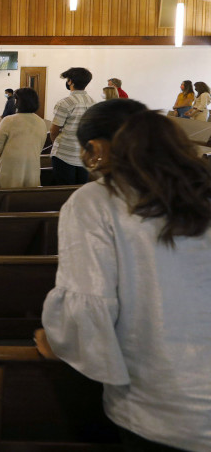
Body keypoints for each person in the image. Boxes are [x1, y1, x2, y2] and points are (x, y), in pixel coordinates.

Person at [36, 99, 211, 451]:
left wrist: (60, 341)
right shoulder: (202, 190)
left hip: (164, 407)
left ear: (95, 149)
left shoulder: (98, 200)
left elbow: (89, 306)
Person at [0, 87, 48, 188]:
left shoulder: (8, 120)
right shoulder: (41, 122)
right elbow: (40, 146)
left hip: (11, 166)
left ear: (17, 102)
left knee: (9, 196)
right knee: (28, 197)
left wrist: (3, 158)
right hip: (32, 165)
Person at [50, 67, 95, 185]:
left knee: (62, 190)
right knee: (79, 188)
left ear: (70, 81)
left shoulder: (65, 102)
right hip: (84, 153)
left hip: (64, 154)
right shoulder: (93, 102)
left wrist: (57, 143)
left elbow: (54, 130)